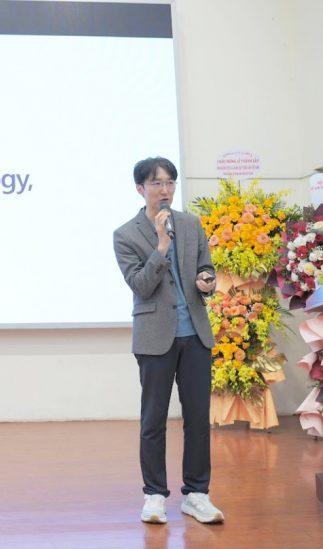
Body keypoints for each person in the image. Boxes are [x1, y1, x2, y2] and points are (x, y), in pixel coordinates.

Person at [112, 157, 224, 525]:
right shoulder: (125, 235)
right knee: (153, 420)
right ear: (140, 188)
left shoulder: (191, 224)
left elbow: (206, 267)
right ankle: (155, 495)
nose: (165, 190)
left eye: (170, 182)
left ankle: (197, 494)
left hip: (195, 334)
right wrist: (161, 246)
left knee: (198, 419)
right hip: (154, 338)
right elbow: (141, 285)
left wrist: (207, 281)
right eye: (157, 183)